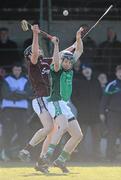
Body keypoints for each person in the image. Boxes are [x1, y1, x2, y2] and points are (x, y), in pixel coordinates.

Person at [42, 28, 83, 173]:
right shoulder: (56, 69)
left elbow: (79, 51)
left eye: (69, 61)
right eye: (65, 60)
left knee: (78, 135)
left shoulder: (69, 68)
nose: (67, 63)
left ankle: (60, 160)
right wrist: (57, 46)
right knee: (63, 126)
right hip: (55, 102)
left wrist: (78, 37)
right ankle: (46, 157)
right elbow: (56, 60)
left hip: (64, 104)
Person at [18, 25, 54, 173]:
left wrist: (76, 43)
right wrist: (35, 34)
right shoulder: (32, 64)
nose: (39, 50)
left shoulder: (45, 61)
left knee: (52, 131)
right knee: (48, 128)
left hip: (48, 100)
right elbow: (34, 51)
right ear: (30, 55)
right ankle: (26, 150)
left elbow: (63, 56)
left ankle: (40, 162)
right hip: (40, 99)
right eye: (35, 49)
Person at [1, 63, 32, 160]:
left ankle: (22, 155)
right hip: (8, 109)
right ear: (12, 70)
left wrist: (13, 93)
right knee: (7, 131)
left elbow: (28, 94)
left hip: (21, 109)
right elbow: (5, 94)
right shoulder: (6, 79)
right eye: (15, 70)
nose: (17, 72)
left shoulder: (25, 80)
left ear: (21, 71)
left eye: (19, 70)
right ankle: (5, 154)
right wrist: (20, 94)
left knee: (22, 132)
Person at [72, 64, 103, 160]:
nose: (87, 71)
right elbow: (73, 97)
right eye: (85, 69)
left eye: (88, 69)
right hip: (83, 114)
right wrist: (80, 107)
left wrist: (98, 108)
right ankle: (81, 156)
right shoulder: (78, 82)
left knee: (97, 136)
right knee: (81, 136)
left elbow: (101, 96)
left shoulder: (96, 82)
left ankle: (96, 156)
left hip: (95, 114)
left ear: (91, 70)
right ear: (82, 71)